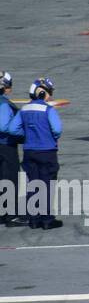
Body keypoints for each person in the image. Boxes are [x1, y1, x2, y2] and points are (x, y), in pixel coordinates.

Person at [18, 78, 62, 229]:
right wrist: (50, 137)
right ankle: (47, 219)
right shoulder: (48, 110)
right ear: (43, 93)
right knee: (47, 184)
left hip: (29, 150)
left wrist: (27, 135)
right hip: (46, 151)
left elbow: (12, 128)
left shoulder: (23, 109)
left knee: (34, 184)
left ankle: (34, 219)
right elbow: (57, 129)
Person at [0, 73, 23, 227]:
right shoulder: (4, 104)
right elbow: (4, 127)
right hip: (5, 146)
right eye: (8, 86)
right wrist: (22, 134)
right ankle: (11, 216)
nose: (10, 89)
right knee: (9, 180)